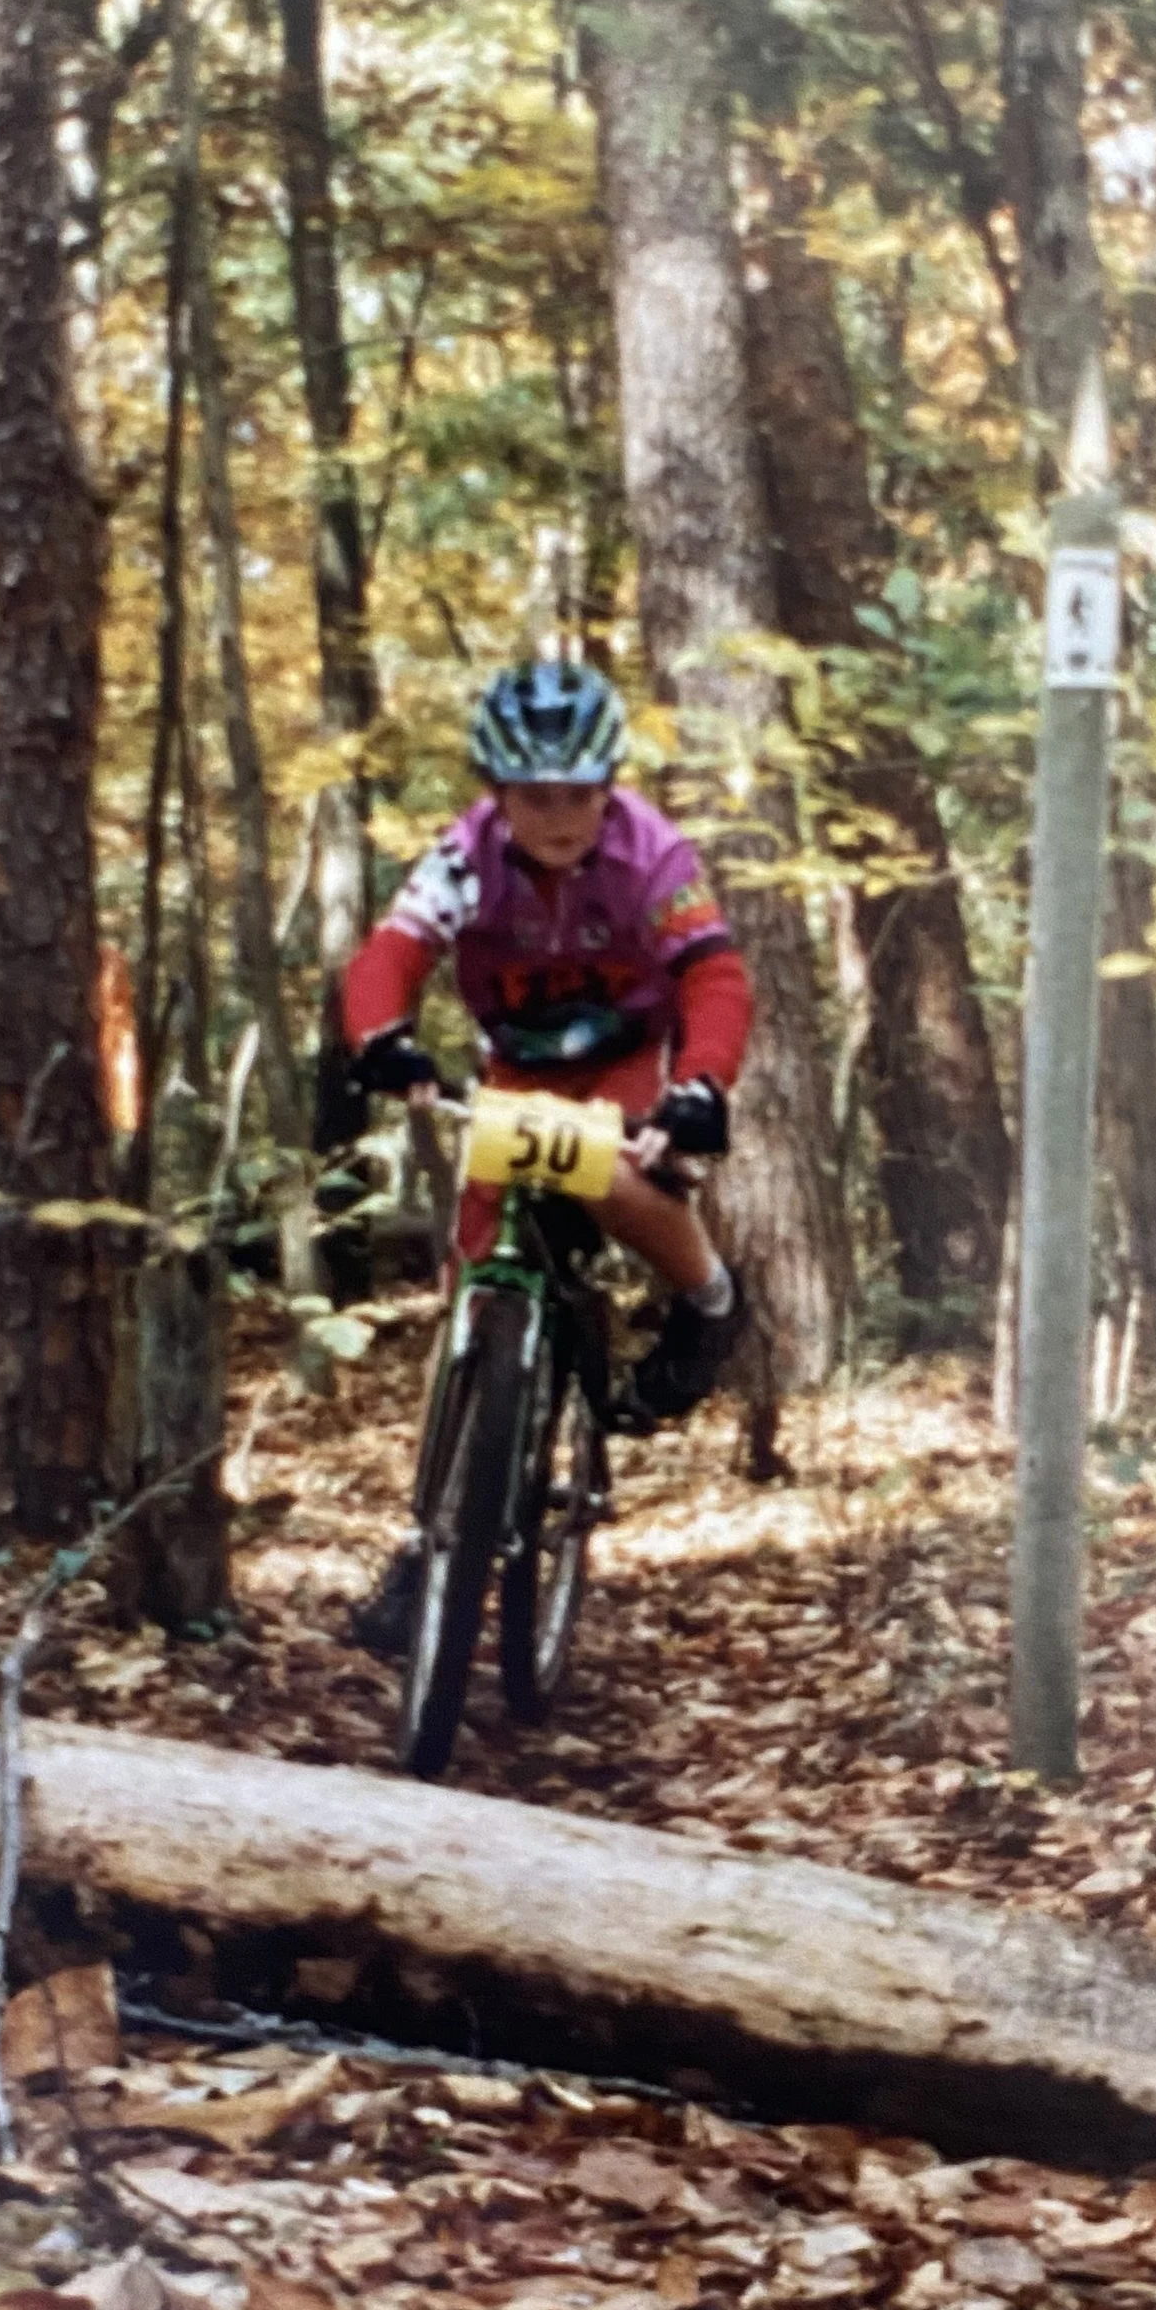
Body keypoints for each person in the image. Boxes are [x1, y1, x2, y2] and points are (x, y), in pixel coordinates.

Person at [342, 659, 751, 1651]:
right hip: (517, 1067)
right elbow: (392, 950)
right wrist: (380, 1034)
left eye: (577, 794)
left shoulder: (651, 853)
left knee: (609, 1173)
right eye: (534, 797)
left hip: (622, 1058)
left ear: (607, 786)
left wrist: (702, 1084)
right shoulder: (465, 854)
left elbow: (715, 976)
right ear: (499, 792)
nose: (558, 817)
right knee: (470, 1285)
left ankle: (709, 1300)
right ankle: (427, 1539)